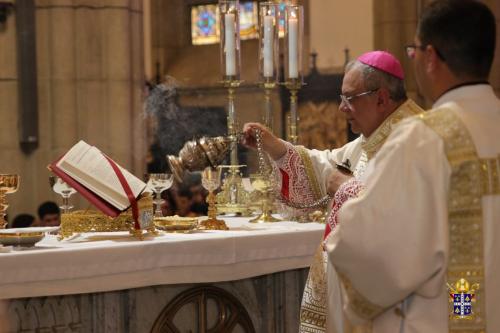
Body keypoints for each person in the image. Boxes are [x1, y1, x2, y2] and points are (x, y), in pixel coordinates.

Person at [325, 1, 499, 332]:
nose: (414, 58)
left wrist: (347, 198)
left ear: (431, 57)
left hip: (448, 316)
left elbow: (372, 244)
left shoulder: (422, 140)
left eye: (414, 50)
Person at [243, 50, 424, 333]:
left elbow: (408, 221)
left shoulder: (419, 140)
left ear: (381, 98)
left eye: (350, 99)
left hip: (390, 304)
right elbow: (325, 167)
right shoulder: (371, 139)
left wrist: (347, 189)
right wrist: (275, 146)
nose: (341, 108)